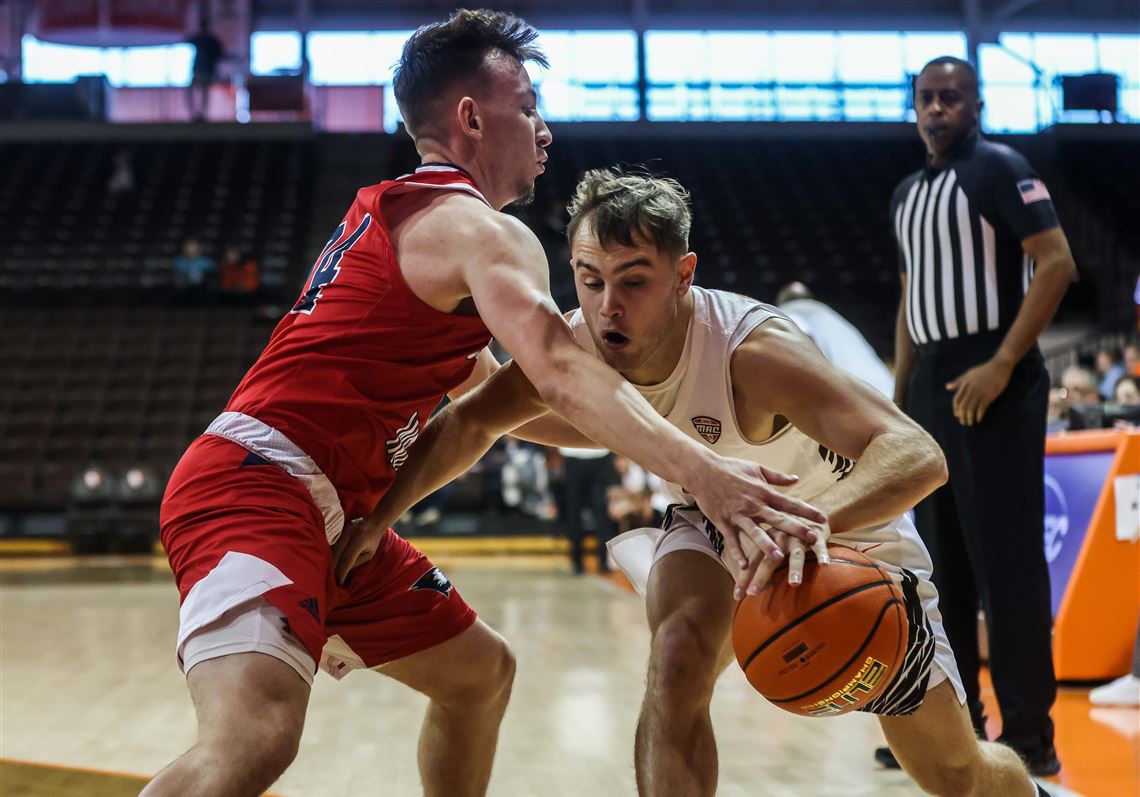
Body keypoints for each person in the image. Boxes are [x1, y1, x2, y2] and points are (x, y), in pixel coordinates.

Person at [144, 12, 824, 797]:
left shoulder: (419, 229)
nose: (544, 127)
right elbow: (565, 377)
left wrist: (664, 425)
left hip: (339, 508)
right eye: (528, 104)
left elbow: (508, 408)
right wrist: (708, 472)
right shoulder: (482, 233)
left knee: (478, 673)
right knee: (254, 738)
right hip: (261, 484)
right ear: (471, 117)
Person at [343, 168, 1052, 797]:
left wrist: (806, 524)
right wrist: (380, 516)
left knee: (954, 775)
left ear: (683, 275)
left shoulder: (753, 351)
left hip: (851, 528)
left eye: (633, 280)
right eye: (590, 279)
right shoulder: (578, 347)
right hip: (717, 518)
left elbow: (918, 454)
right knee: (677, 658)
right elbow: (472, 422)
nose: (607, 305)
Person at [889, 56, 1077, 776]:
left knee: (1008, 566)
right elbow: (911, 300)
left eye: (952, 98)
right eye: (927, 98)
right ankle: (959, 729)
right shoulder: (908, 192)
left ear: (976, 104)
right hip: (934, 381)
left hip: (993, 377)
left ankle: (1030, 736)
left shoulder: (1002, 167)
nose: (938, 109)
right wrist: (899, 400)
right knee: (941, 570)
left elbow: (1056, 262)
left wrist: (1001, 363)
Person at [776, 281, 895, 398]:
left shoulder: (787, 313)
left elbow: (804, 340)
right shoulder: (834, 317)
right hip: (882, 393)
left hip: (847, 397)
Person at [187, 20, 224, 121]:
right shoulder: (200, 39)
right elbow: (187, 40)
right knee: (196, 92)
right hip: (199, 70)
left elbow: (219, 54)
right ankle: (195, 113)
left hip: (206, 71)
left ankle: (203, 114)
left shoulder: (211, 40)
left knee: (204, 93)